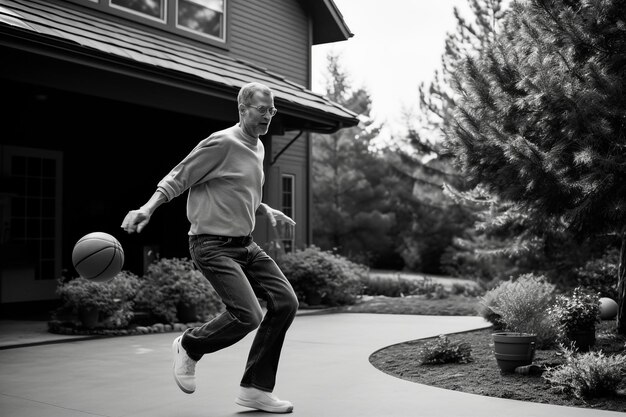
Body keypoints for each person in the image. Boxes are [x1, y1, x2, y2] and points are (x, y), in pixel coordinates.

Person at [121, 82, 299, 414]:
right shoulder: (222, 142)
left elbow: (239, 189)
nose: (268, 117)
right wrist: (148, 207)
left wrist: (265, 208)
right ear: (242, 109)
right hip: (211, 245)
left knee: (286, 302)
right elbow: (179, 176)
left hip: (245, 245)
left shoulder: (257, 147)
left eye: (272, 111)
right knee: (248, 314)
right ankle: (189, 345)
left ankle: (255, 389)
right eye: (262, 110)